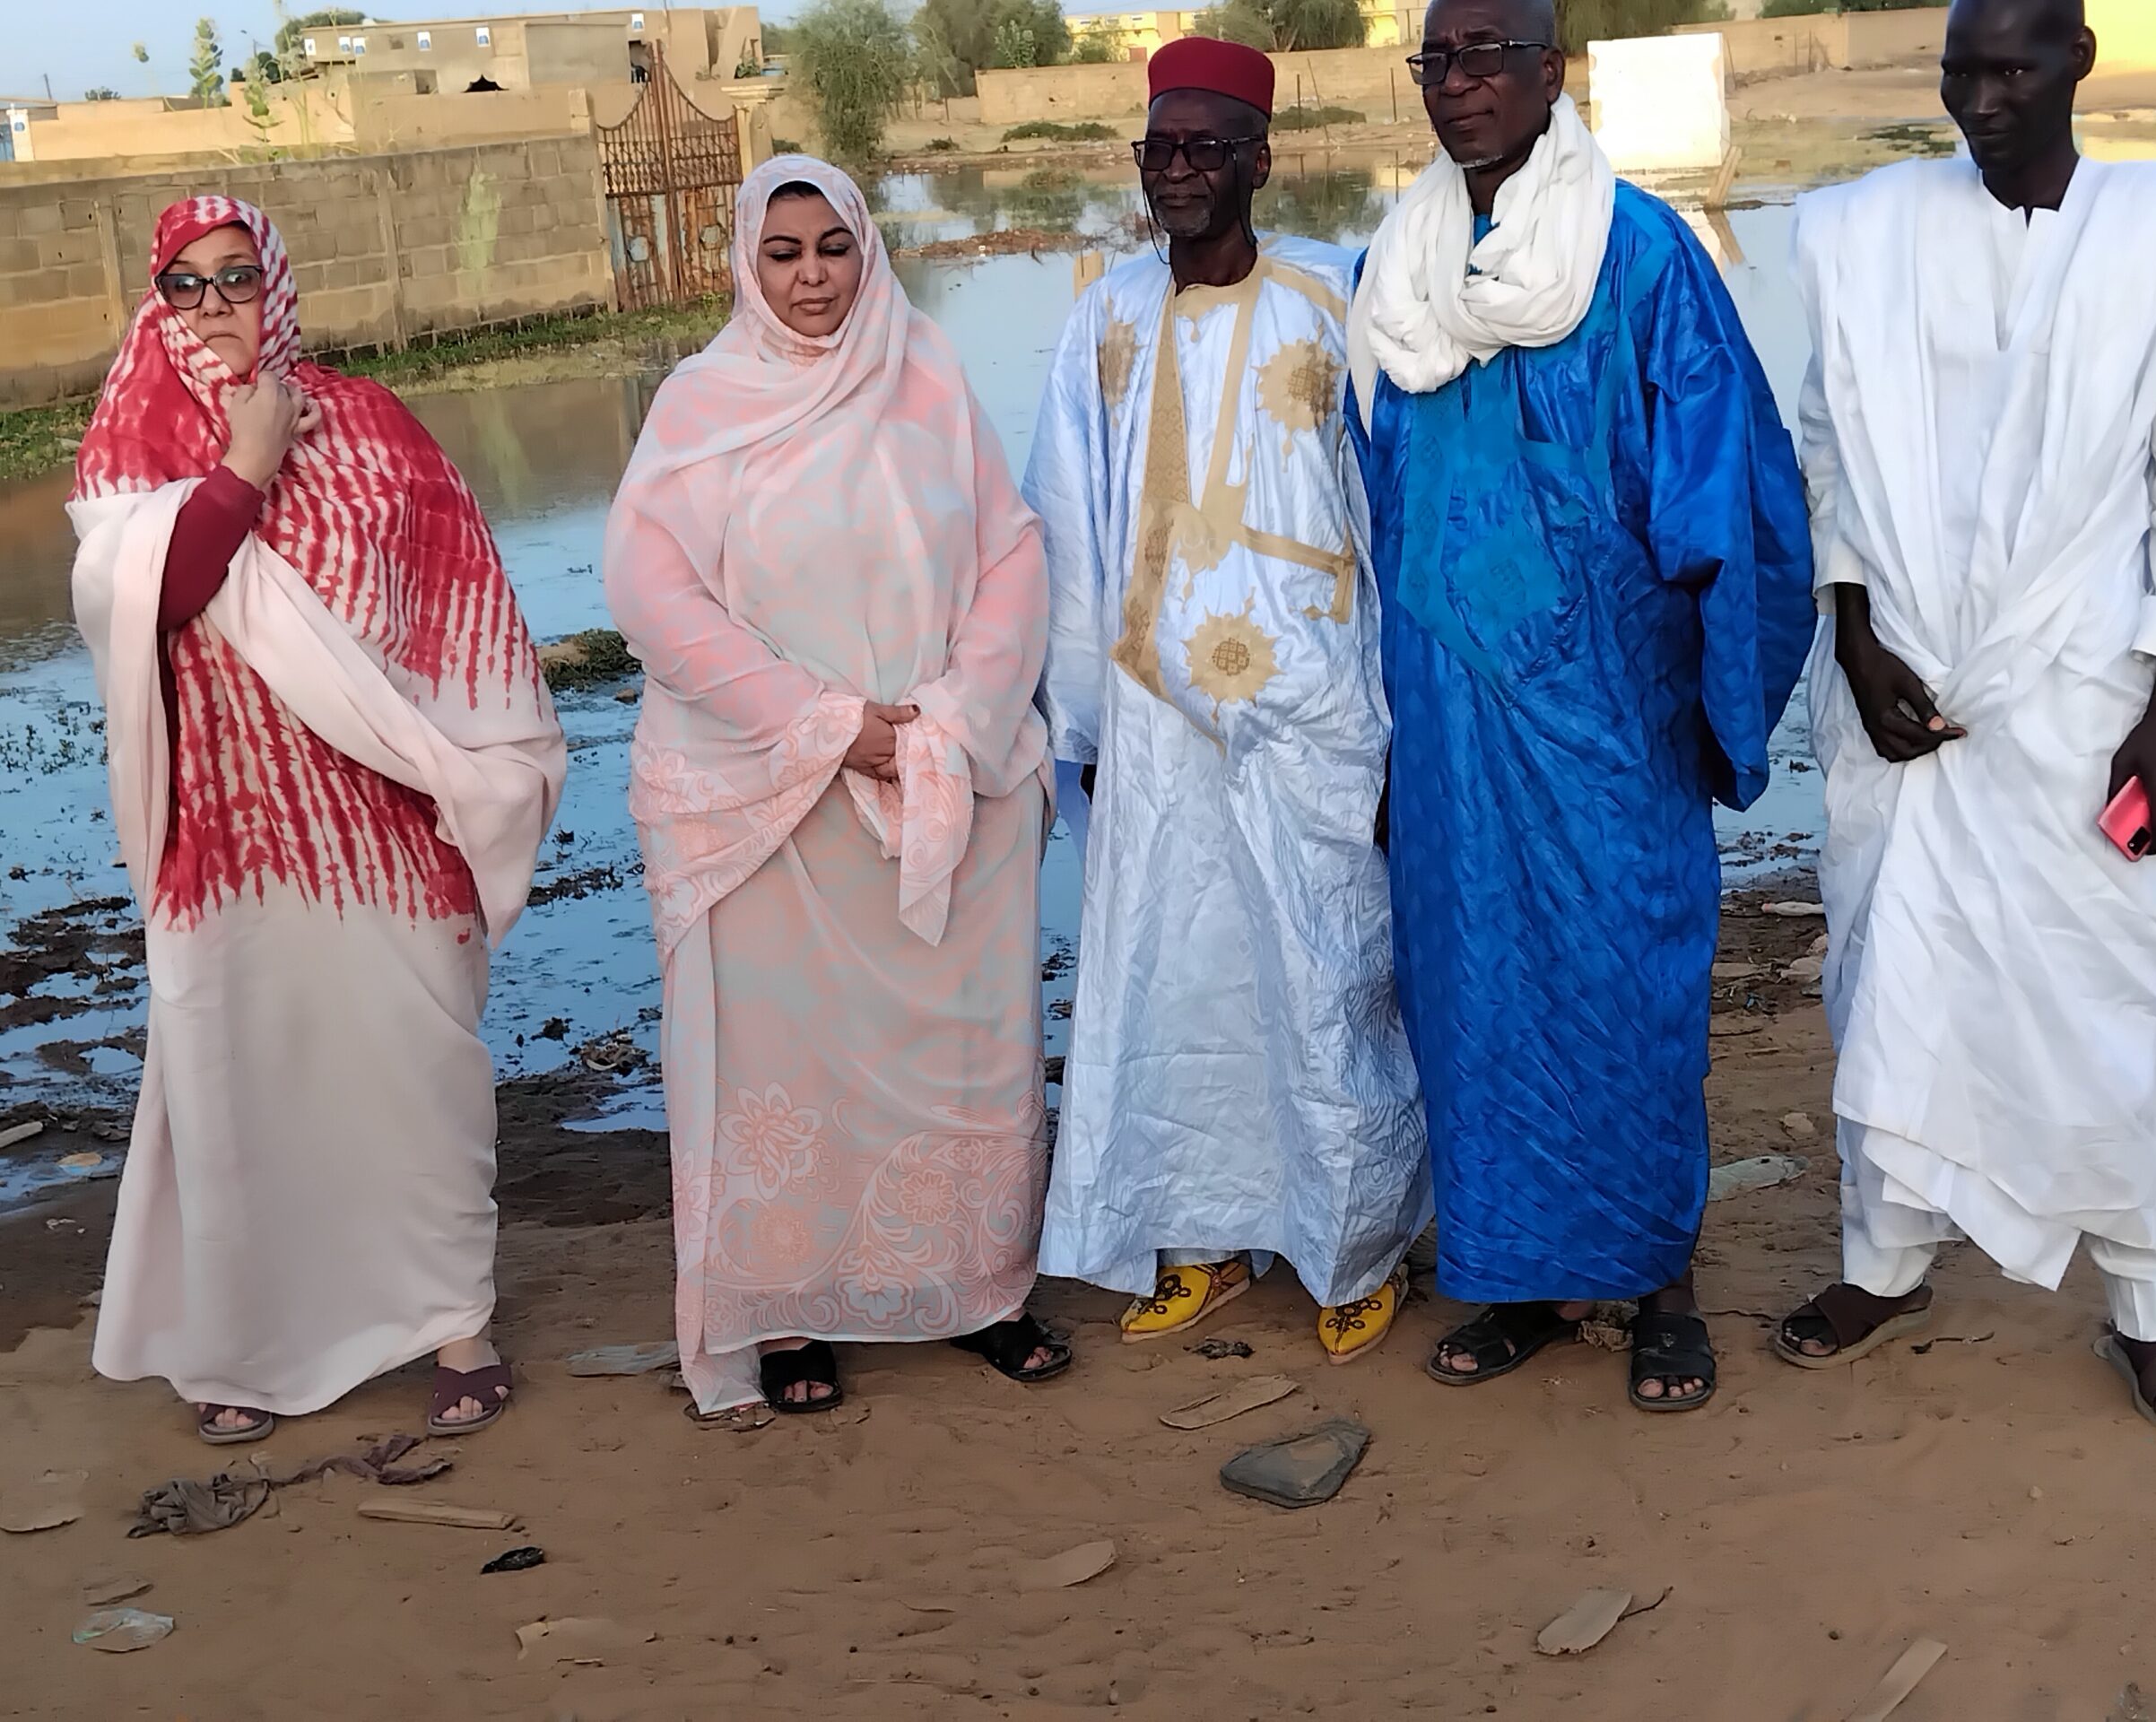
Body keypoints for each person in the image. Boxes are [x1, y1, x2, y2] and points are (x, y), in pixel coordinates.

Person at [1778, 0, 2156, 1435]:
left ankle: (2147, 1301)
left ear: (2079, 64)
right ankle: (1887, 1259)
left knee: (2106, 994)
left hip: (2081, 692)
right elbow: (1829, 450)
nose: (1979, 100)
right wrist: (1854, 637)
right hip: (1907, 695)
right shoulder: (1867, 231)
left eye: (2011, 69)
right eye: (1958, 72)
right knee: (1893, 976)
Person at [1349, 0, 1814, 1408]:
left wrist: (1707, 696)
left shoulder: (1645, 254)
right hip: (1449, 716)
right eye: (1440, 58)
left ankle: (1658, 1279)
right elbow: (1381, 498)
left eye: (1493, 54)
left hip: (1607, 707)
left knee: (1627, 983)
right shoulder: (1398, 268)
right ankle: (1516, 1277)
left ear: (1555, 72)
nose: (1463, 81)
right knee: (1472, 984)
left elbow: (1728, 485)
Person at [68, 196, 566, 1445]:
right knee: (243, 1095)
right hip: (224, 841)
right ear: (158, 301)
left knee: (416, 1086)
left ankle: (458, 1326)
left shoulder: (376, 428)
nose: (216, 306)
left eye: (237, 278)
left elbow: (464, 613)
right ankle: (248, 1345)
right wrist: (243, 466)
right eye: (187, 286)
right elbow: (162, 603)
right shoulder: (132, 445)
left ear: (277, 281)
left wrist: (470, 775)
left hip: (386, 838)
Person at [605, 158, 1061, 1419]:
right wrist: (819, 726)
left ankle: (979, 1287)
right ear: (745, 269)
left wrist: (958, 717)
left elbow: (1011, 553)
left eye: (833, 249)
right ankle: (798, 1308)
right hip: (774, 797)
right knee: (787, 1063)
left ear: (867, 251)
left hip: (937, 768)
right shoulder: (702, 407)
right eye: (783, 253)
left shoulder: (928, 379)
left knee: (966, 1049)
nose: (812, 278)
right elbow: (653, 591)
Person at [1027, 38, 1430, 1363]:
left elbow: (1396, 514)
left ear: (1261, 155)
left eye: (1207, 147)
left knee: (1325, 974)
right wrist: (1073, 708)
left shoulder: (1342, 294)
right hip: (1154, 717)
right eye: (1160, 150)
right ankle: (1195, 1238)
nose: (1180, 173)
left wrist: (1390, 709)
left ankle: (1354, 1246)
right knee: (1173, 975)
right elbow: (1067, 515)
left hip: (1310, 702)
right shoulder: (1105, 313)